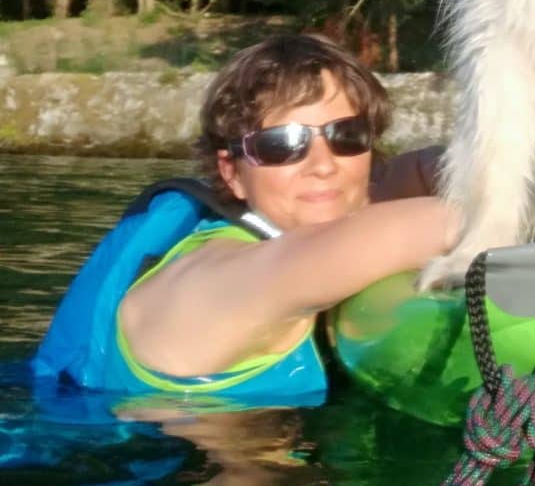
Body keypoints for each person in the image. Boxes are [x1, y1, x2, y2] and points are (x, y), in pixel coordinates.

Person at [115, 33, 458, 390]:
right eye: (281, 144)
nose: (323, 166)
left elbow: (417, 170)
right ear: (232, 172)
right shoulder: (227, 279)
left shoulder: (301, 214)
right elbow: (431, 226)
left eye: (347, 135)